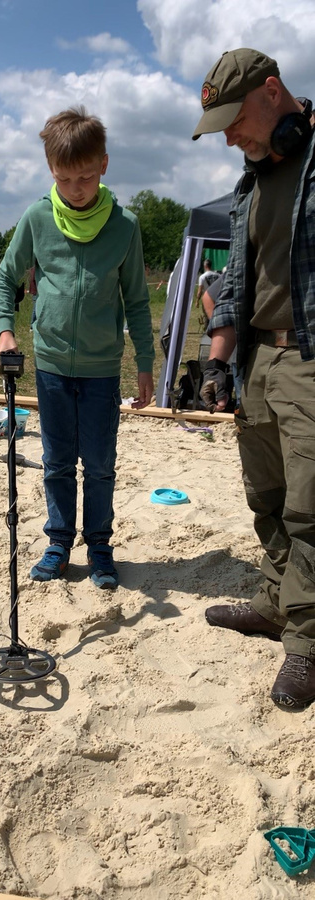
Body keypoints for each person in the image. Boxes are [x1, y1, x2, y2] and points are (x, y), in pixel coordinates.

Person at [193, 47, 315, 710]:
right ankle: (274, 601)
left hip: (309, 359)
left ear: (273, 92)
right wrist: (217, 359)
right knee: (266, 496)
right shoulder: (250, 185)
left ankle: (307, 643)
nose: (229, 138)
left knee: (310, 508)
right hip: (257, 360)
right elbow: (237, 283)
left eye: (234, 121)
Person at [0, 106, 154, 590]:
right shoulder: (37, 217)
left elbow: (137, 301)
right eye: (64, 179)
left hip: (102, 369)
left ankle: (100, 547)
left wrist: (145, 365)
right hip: (52, 366)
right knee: (57, 462)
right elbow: (5, 278)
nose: (75, 189)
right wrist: (5, 331)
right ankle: (59, 543)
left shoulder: (125, 225)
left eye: (85, 176)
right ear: (50, 170)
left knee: (100, 465)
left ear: (103, 164)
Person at [200, 272, 243, 407]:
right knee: (245, 407)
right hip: (247, 359)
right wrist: (214, 369)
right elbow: (208, 297)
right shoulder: (244, 263)